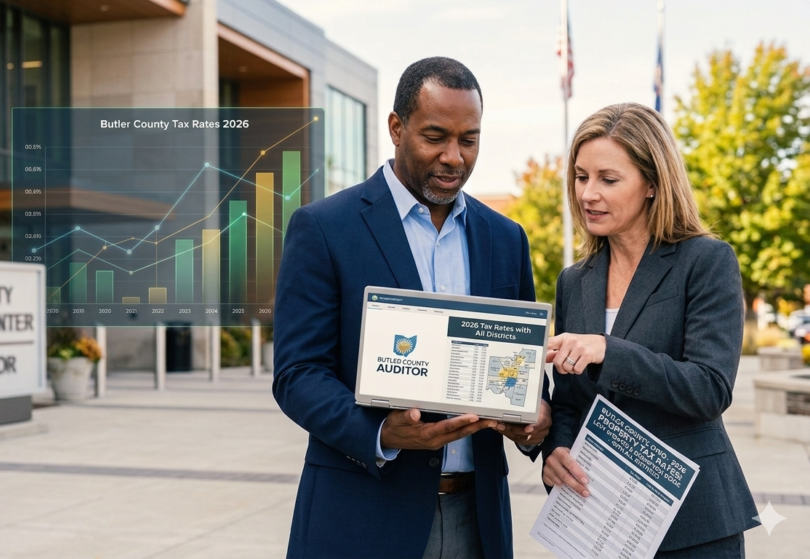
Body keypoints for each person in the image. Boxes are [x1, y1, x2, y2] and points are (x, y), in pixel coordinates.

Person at [273, 57, 550, 559]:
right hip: (362, 516)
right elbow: (297, 373)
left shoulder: (506, 238)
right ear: (396, 128)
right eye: (436, 136)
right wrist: (380, 432)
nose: (454, 157)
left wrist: (535, 415)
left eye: (469, 140)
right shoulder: (324, 228)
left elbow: (524, 370)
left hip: (477, 519)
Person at [541, 102, 758, 557]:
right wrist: (556, 450)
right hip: (599, 519)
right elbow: (568, 400)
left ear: (653, 185)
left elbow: (709, 389)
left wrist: (607, 350)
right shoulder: (573, 280)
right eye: (581, 177)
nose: (588, 194)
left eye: (608, 179)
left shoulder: (706, 261)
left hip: (694, 523)